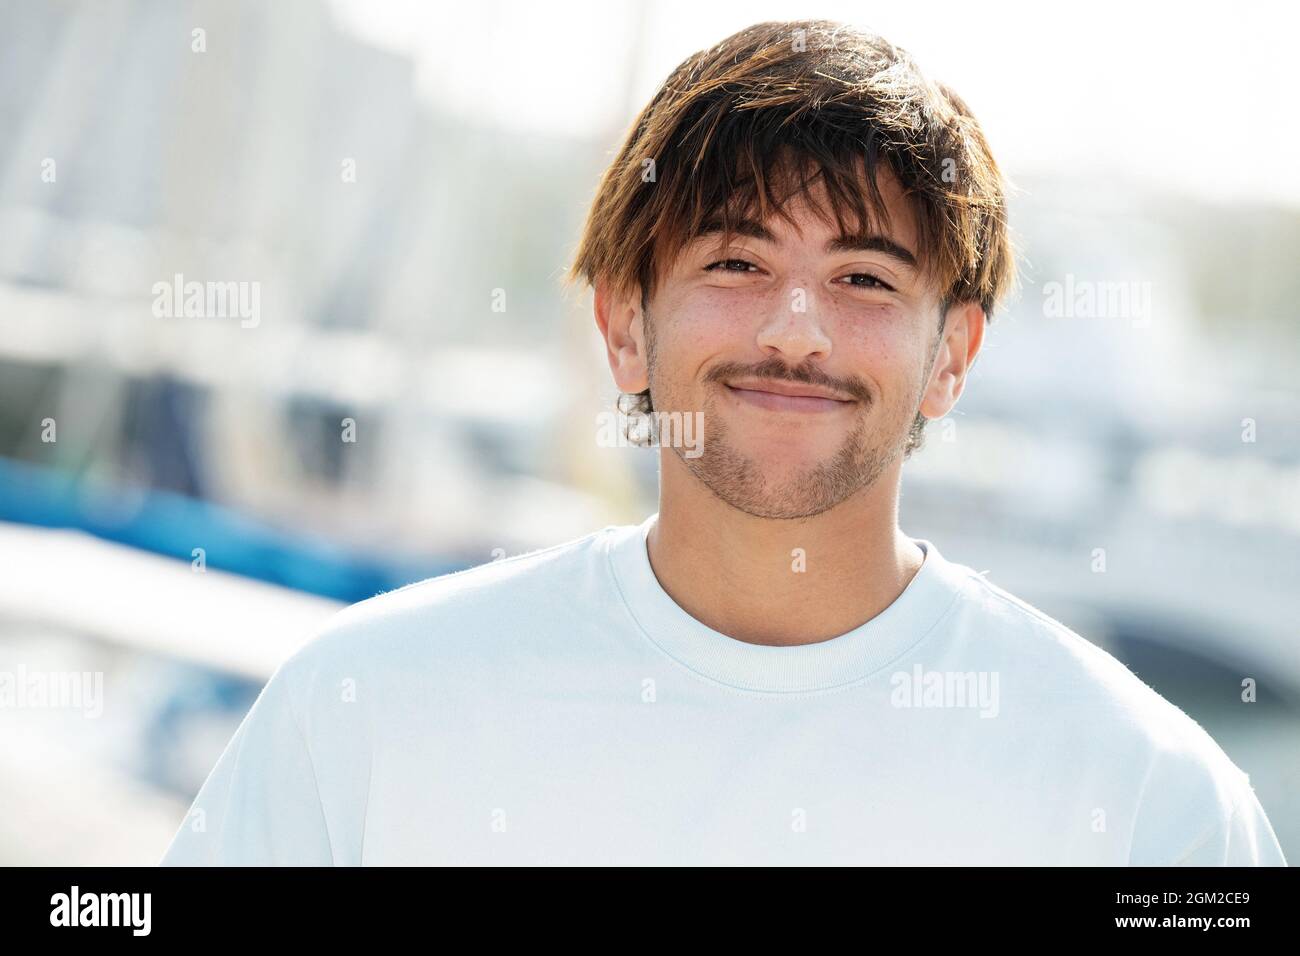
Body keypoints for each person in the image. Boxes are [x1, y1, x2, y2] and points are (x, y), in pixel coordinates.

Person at [160, 19, 1287, 866]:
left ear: (953, 353)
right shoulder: (359, 706)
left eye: (862, 278)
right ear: (621, 324)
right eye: (735, 263)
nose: (795, 330)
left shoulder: (1147, 796)